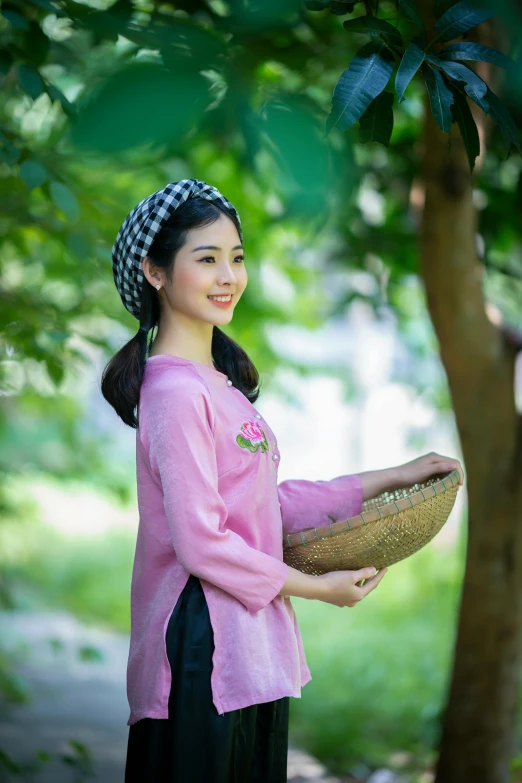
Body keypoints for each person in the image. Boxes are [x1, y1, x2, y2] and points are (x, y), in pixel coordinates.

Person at [101, 179, 387, 783]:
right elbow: (201, 542)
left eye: (236, 257)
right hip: (202, 645)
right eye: (206, 259)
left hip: (250, 639)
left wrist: (395, 476)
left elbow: (263, 504)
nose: (228, 274)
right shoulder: (175, 393)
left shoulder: (221, 386)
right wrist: (320, 589)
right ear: (155, 271)